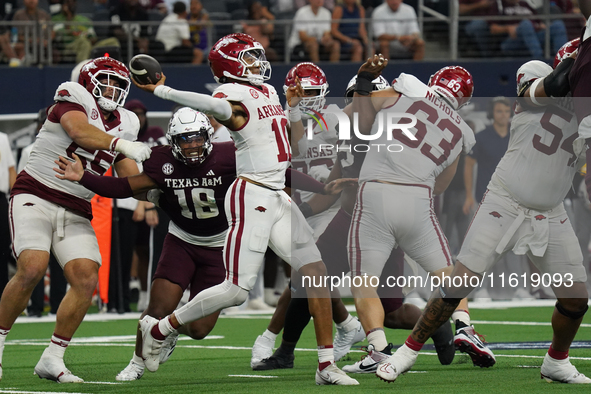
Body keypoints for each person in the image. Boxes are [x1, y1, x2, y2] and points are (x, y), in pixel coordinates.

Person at [131, 33, 358, 385]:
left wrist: (293, 108)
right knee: (236, 291)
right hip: (252, 194)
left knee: (316, 273)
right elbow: (217, 109)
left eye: (256, 56)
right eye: (249, 58)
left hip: (277, 193)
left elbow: (286, 151)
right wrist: (163, 90)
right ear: (231, 64)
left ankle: (326, 365)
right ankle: (161, 328)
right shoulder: (228, 94)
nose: (256, 63)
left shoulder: (267, 92)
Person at [377, 58, 590, 384]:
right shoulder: (532, 100)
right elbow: (559, 82)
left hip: (551, 211)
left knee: (575, 298)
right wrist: (580, 62)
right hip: (505, 202)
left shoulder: (581, 107)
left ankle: (556, 361)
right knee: (458, 282)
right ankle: (407, 351)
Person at [251, 72, 455, 372]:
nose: (356, 107)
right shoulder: (348, 134)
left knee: (390, 312)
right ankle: (286, 351)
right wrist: (304, 210)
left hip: (379, 224)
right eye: (354, 100)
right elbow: (334, 185)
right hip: (347, 221)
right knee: (308, 283)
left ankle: (435, 324)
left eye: (363, 100)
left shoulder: (394, 133)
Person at [54, 107, 236, 381]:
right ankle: (137, 362)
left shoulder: (228, 155)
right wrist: (83, 177)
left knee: (200, 330)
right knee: (156, 309)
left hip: (219, 246)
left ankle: (169, 329)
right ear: (172, 142)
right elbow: (125, 187)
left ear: (208, 136)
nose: (192, 145)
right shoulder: (162, 161)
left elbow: (275, 176)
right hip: (182, 241)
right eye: (184, 139)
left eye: (197, 138)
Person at [0, 56, 151, 383]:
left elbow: (127, 180)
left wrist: (155, 189)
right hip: (36, 194)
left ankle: (52, 358)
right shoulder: (71, 96)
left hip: (76, 205)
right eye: (105, 80)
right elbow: (79, 132)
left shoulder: (127, 122)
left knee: (85, 279)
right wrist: (123, 144)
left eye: (118, 83)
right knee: (32, 266)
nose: (111, 88)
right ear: (87, 81)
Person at [344, 56, 491, 377]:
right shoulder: (463, 131)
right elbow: (441, 185)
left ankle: (379, 349)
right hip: (418, 202)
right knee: (447, 274)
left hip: (376, 195)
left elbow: (362, 122)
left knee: (364, 282)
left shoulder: (405, 91)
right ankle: (464, 325)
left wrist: (365, 81)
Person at [0, 131, 16, 295]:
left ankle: (2, 300)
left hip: (0, 198)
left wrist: (16, 199)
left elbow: (11, 170)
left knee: (3, 249)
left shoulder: (2, 138)